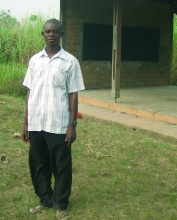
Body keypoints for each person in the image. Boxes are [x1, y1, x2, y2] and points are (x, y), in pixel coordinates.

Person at [22, 18, 85, 220]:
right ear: (43, 34)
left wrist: (72, 124)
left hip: (58, 124)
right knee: (38, 165)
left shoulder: (70, 62)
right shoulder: (34, 60)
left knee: (61, 166)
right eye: (48, 31)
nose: (51, 34)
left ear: (61, 34)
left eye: (55, 31)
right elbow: (30, 92)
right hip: (37, 123)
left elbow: (73, 94)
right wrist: (25, 122)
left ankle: (60, 204)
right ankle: (45, 199)